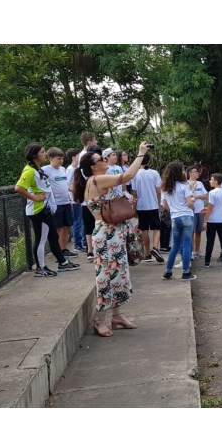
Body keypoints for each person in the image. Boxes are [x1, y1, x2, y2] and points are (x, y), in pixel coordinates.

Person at [72, 142, 150, 336]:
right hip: (106, 236)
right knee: (106, 278)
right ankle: (99, 321)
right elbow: (127, 176)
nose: (105, 160)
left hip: (113, 234)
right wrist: (141, 154)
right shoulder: (97, 180)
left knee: (119, 275)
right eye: (100, 159)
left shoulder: (96, 180)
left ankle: (117, 316)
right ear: (93, 167)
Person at [15, 144, 81, 277]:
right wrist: (34, 197)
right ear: (35, 156)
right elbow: (18, 188)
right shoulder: (30, 171)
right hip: (38, 210)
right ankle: (41, 268)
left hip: (45, 209)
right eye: (42, 152)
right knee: (41, 239)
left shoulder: (37, 169)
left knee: (53, 236)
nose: (45, 154)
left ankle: (62, 262)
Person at [161, 161, 197, 282]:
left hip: (175, 217)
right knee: (186, 244)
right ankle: (186, 273)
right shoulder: (184, 185)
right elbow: (189, 202)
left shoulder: (166, 187)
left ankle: (168, 272)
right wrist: (193, 207)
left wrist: (174, 209)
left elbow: (164, 205)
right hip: (187, 216)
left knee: (175, 246)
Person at [42, 147, 77, 259]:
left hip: (66, 202)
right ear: (51, 158)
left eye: (62, 158)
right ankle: (58, 251)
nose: (61, 161)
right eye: (58, 159)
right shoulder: (45, 170)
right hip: (56, 204)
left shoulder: (62, 169)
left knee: (67, 227)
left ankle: (64, 249)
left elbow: (65, 185)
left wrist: (74, 191)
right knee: (59, 228)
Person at [131, 152, 163, 262]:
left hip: (141, 205)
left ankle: (147, 252)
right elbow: (159, 191)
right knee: (157, 228)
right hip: (153, 205)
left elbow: (134, 193)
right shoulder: (154, 173)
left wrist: (134, 207)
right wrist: (159, 203)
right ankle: (155, 247)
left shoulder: (135, 174)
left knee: (144, 229)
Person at [204, 173, 222, 267]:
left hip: (212, 220)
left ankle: (207, 262)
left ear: (216, 181)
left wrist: (205, 220)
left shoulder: (212, 192)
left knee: (210, 241)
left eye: (212, 179)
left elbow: (210, 207)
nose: (210, 181)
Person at [65, 148, 87, 253]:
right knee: (77, 222)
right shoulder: (70, 169)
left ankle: (82, 242)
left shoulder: (76, 169)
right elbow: (67, 185)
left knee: (81, 221)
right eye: (78, 156)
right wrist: (76, 193)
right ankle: (77, 244)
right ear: (73, 157)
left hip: (79, 199)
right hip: (75, 200)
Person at [187, 166, 208, 259]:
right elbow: (187, 197)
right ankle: (190, 251)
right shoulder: (186, 183)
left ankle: (197, 250)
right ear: (190, 173)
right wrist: (191, 189)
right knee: (191, 232)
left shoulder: (200, 183)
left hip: (200, 210)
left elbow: (206, 196)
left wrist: (198, 196)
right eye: (195, 171)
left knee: (198, 231)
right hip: (191, 211)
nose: (197, 173)